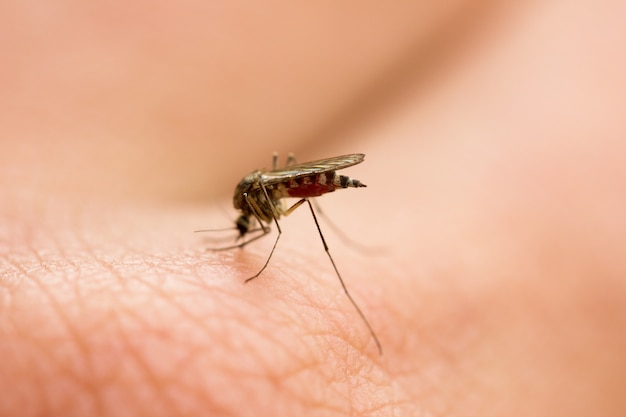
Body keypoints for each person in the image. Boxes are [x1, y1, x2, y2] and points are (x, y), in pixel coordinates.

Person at [2, 1, 625, 415]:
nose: (248, 224)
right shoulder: (253, 200)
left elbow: (266, 196)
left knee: (299, 197)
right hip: (288, 180)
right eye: (248, 222)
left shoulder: (265, 198)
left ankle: (340, 249)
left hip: (301, 178)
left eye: (246, 223)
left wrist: (283, 206)